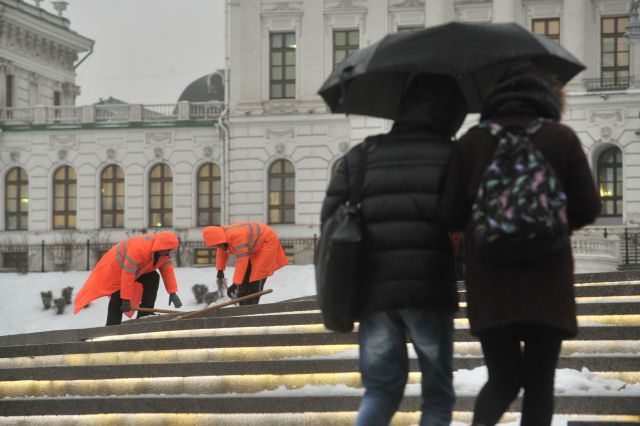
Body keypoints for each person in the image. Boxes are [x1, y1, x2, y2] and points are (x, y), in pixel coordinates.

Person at [440, 64, 601, 425]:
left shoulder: (472, 142)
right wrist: (549, 224)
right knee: (540, 384)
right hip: (548, 281)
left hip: (490, 284)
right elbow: (589, 207)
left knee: (503, 380)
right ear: (548, 97)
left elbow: (449, 214)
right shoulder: (561, 138)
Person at [320, 74, 467, 426]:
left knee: (381, 390)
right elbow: (462, 218)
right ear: (450, 115)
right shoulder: (452, 156)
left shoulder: (363, 155)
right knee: (437, 391)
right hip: (430, 288)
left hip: (375, 292)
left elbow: (331, 218)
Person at [74, 231, 183, 326]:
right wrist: (126, 299)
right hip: (114, 268)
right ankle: (112, 326)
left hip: (134, 270)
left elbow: (168, 271)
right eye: (168, 249)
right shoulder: (140, 248)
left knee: (153, 278)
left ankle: (145, 314)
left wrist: (172, 293)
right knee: (118, 295)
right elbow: (128, 274)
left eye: (171, 250)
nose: (169, 252)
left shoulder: (163, 254)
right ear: (161, 246)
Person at [203, 222, 288, 305]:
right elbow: (222, 251)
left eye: (220, 245)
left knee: (257, 275)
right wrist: (220, 270)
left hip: (267, 241)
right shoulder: (221, 238)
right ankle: (243, 306)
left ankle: (252, 306)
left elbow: (242, 261)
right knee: (244, 280)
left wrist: (235, 284)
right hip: (254, 245)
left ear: (221, 239)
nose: (219, 247)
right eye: (216, 246)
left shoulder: (236, 236)